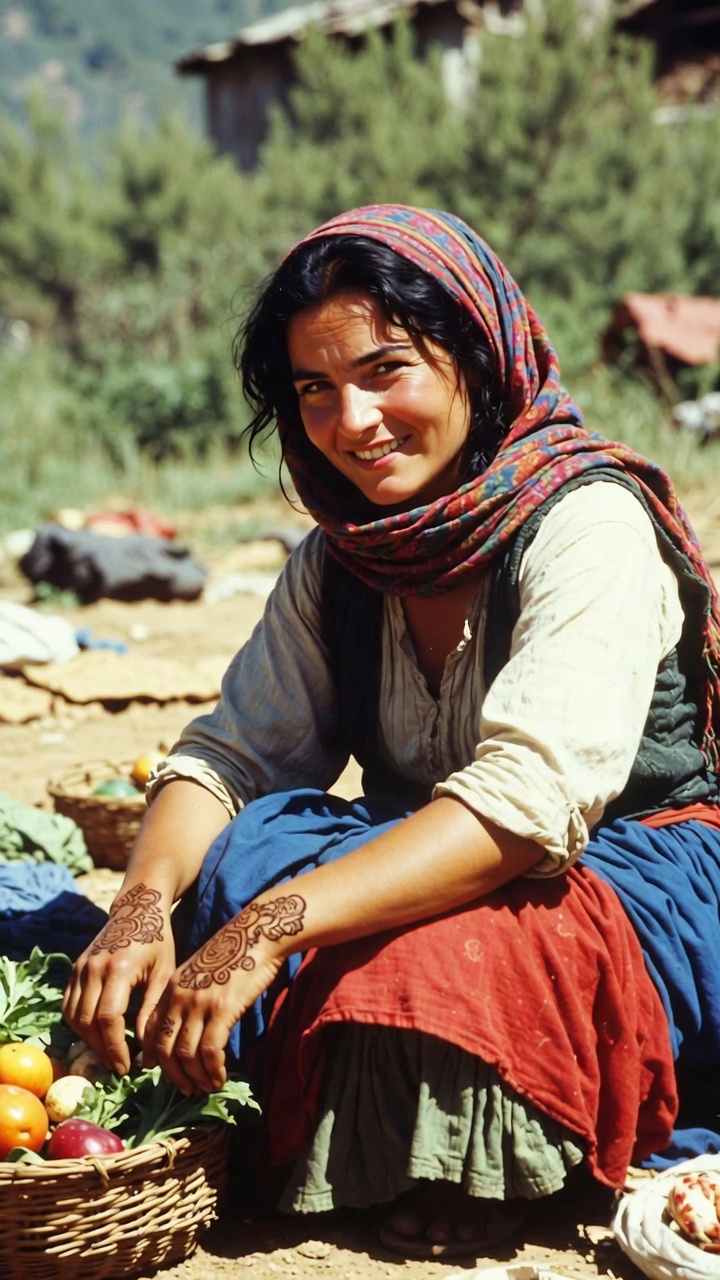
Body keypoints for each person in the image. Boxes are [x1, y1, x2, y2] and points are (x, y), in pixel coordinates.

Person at [63, 204, 720, 1262]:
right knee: (247, 844)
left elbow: (523, 804)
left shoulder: (587, 521)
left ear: (478, 355)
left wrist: (273, 925)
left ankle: (483, 1151)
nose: (353, 421)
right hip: (435, 845)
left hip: (611, 873)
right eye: (314, 389)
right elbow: (235, 752)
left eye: (387, 371)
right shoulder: (347, 556)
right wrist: (141, 901)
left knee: (435, 943)